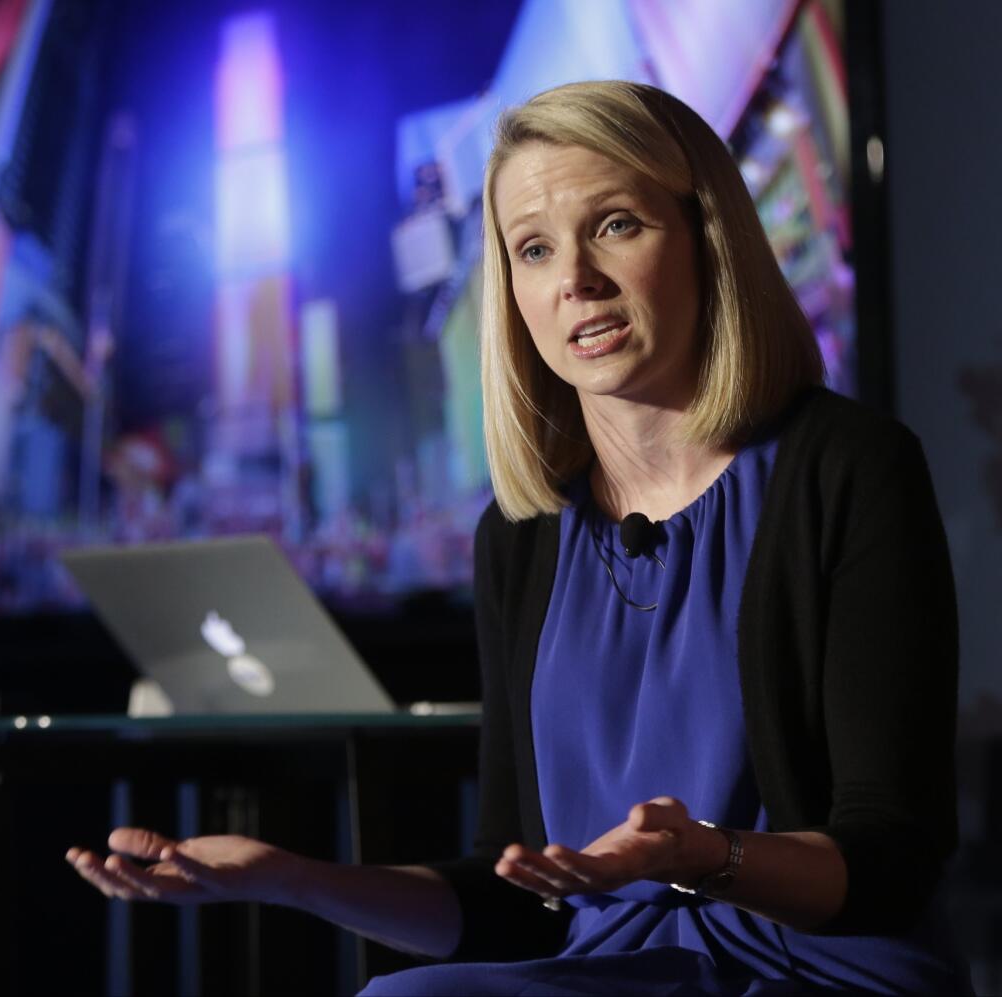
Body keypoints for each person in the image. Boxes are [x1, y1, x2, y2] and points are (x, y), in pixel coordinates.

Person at [67, 82, 969, 993]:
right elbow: (513, 900)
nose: (575, 277)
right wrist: (289, 877)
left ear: (707, 236)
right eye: (534, 249)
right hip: (604, 972)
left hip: (820, 969)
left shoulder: (847, 467)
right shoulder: (523, 536)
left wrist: (698, 854)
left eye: (616, 225)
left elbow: (892, 859)